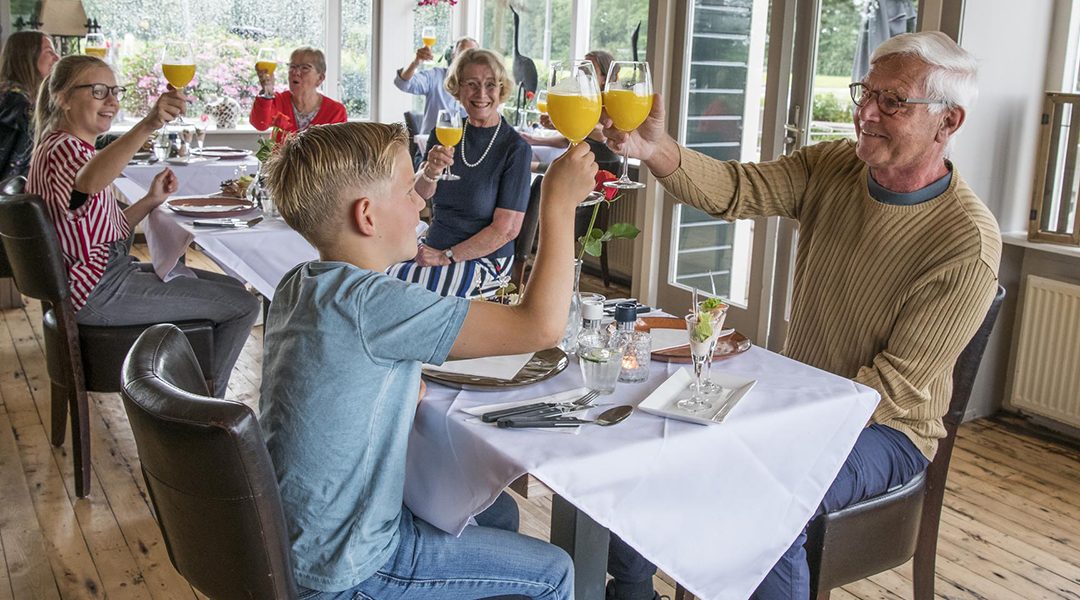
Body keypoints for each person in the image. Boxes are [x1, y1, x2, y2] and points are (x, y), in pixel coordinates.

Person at [600, 31, 1001, 600]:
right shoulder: (835, 165)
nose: (864, 112)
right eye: (867, 92)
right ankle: (632, 592)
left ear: (948, 121)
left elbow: (890, 389)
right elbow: (735, 190)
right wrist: (655, 150)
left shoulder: (965, 241)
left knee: (767, 488)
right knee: (652, 426)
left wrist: (771, 421)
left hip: (886, 431)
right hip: (801, 398)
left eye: (893, 101)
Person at [258, 121, 598, 599]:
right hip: (352, 568)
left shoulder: (302, 282)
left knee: (498, 514)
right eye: (407, 189)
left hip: (296, 543)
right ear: (367, 217)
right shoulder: (372, 302)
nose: (422, 202)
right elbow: (540, 328)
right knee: (556, 572)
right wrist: (558, 207)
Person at [26, 55, 259, 398]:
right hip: (97, 291)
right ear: (62, 97)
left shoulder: (66, 149)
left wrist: (151, 199)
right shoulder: (65, 149)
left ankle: (193, 397)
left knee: (237, 292)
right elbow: (88, 182)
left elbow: (105, 227)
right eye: (99, 91)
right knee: (244, 306)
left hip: (102, 280)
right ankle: (206, 413)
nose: (112, 102)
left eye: (115, 91)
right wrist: (149, 123)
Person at [387, 48, 532, 298]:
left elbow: (506, 230)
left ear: (501, 89)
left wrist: (447, 256)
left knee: (403, 289)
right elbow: (418, 197)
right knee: (375, 272)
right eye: (472, 84)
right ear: (458, 88)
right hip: (433, 247)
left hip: (485, 261)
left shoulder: (515, 149)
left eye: (490, 85)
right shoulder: (445, 132)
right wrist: (431, 171)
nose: (481, 94)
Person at [521, 49, 620, 171]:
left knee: (524, 166)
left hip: (601, 164)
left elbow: (599, 132)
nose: (581, 74)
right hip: (581, 160)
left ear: (605, 78)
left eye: (588, 70)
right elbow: (571, 140)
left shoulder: (606, 102)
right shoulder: (581, 99)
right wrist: (535, 139)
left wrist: (563, 123)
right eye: (581, 69)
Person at [251, 46, 347, 143]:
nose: (295, 72)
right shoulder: (278, 100)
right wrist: (267, 90)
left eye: (305, 68)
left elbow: (337, 151)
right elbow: (260, 124)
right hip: (282, 159)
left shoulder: (336, 111)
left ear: (320, 78)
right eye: (292, 66)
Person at [0, 30, 59, 180]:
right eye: (49, 52)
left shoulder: (11, 94)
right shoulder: (16, 102)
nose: (57, 57)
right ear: (27, 57)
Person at [395, 36, 479, 135]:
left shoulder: (481, 86)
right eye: (462, 53)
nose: (466, 58)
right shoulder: (435, 76)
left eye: (472, 54)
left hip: (465, 146)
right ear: (452, 55)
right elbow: (404, 83)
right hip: (432, 145)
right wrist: (416, 62)